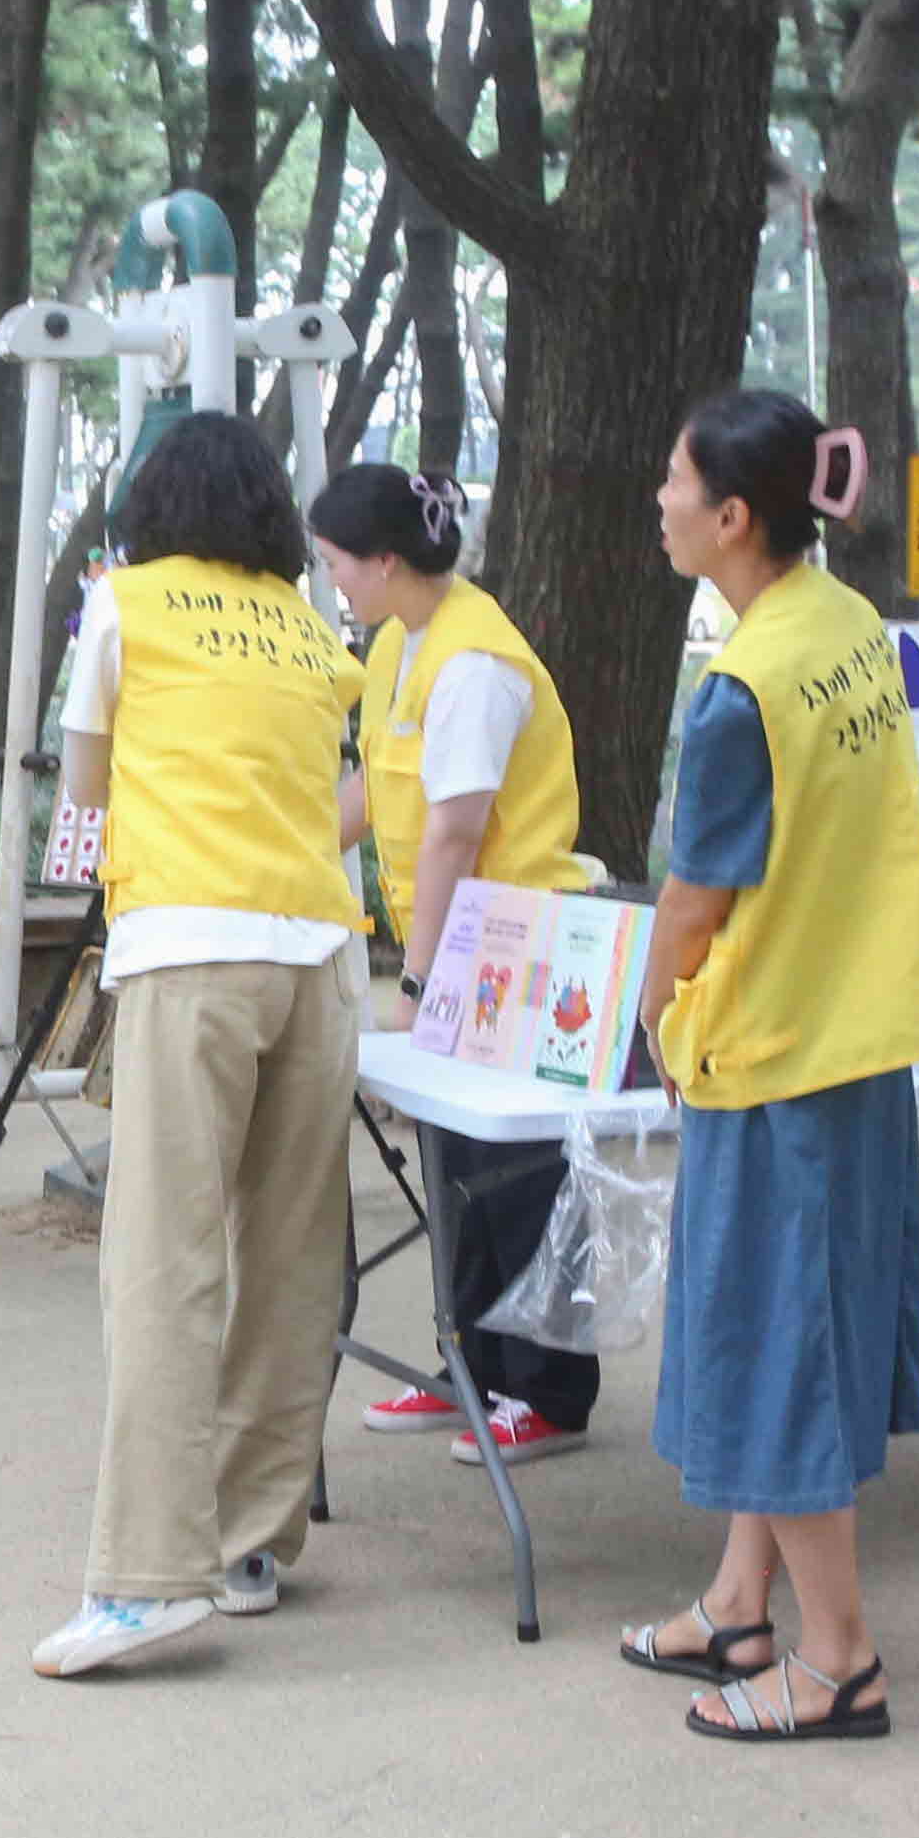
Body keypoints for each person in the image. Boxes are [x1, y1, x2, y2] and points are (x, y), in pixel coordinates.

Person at [33, 410, 369, 1679]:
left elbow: (84, 794)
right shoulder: (310, 622)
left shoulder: (125, 606)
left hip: (189, 948)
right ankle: (246, 1543)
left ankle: (143, 1577)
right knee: (288, 1258)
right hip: (320, 957)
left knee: (162, 1259)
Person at [628, 390, 919, 1744]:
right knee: (783, 1333)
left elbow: (693, 899)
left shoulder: (734, 692)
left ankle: (837, 1658)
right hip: (854, 1031)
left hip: (770, 1052)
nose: (658, 499)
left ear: (731, 517)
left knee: (776, 1351)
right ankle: (738, 1603)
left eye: (673, 482)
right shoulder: (848, 625)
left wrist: (646, 1011)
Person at [308, 460, 596, 1468]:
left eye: (339, 563)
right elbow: (373, 790)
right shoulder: (402, 640)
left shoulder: (474, 662)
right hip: (468, 943)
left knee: (520, 1171)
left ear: (386, 561)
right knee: (460, 1170)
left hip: (515, 947)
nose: (332, 580)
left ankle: (549, 1390)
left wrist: (419, 983)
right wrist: (282, 843)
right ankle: (472, 1372)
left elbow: (454, 832)